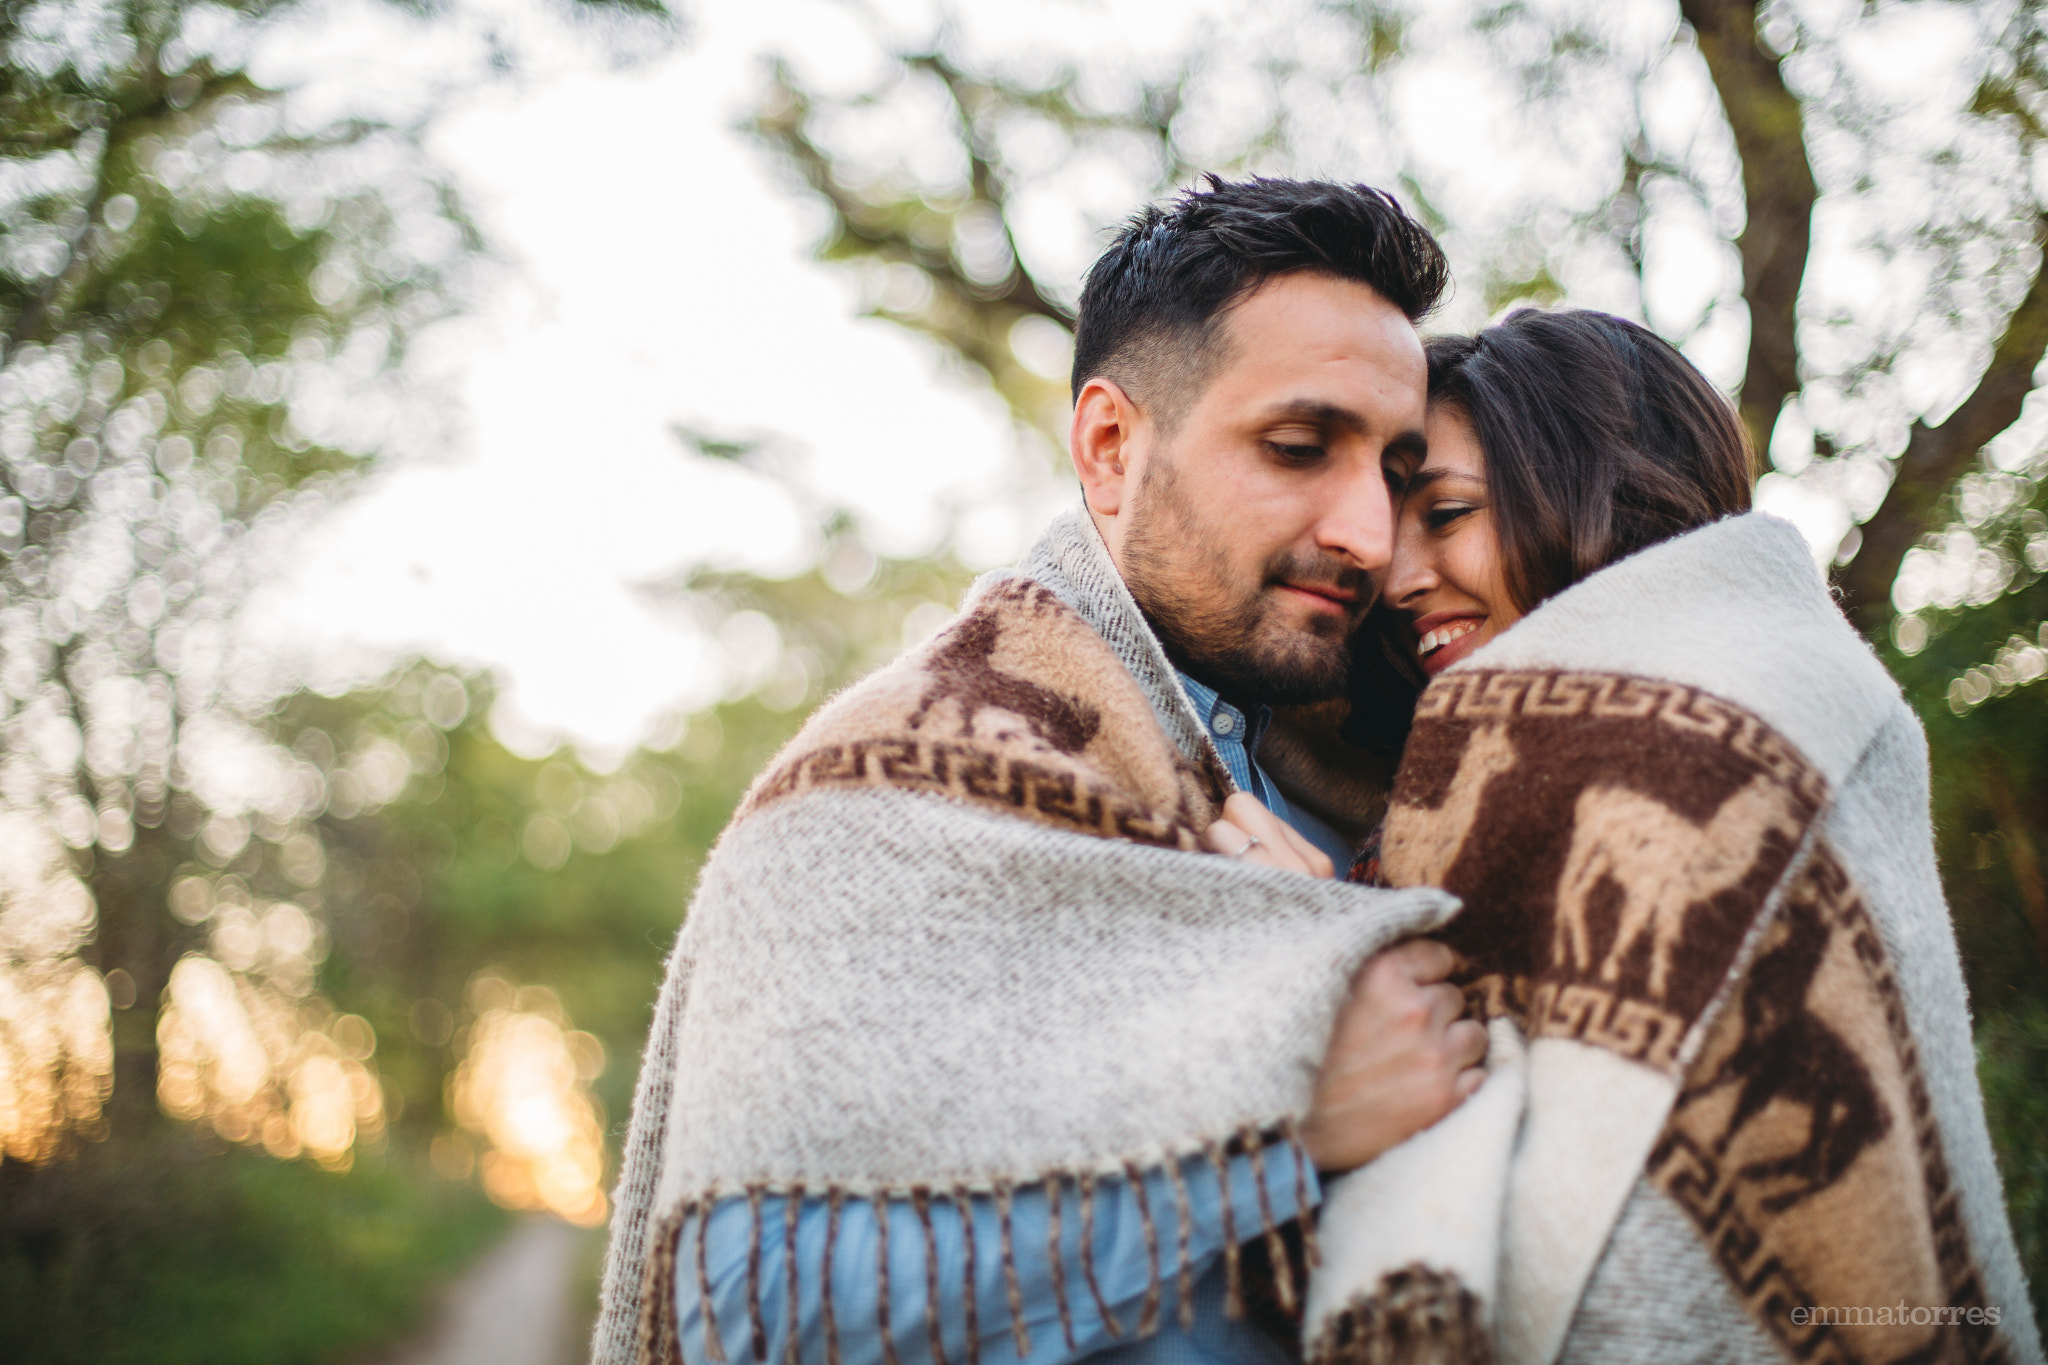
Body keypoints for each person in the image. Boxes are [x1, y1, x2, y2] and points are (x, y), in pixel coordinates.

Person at [591, 177, 1492, 1365]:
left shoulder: (1382, 782)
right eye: (1295, 446)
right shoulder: (884, 793)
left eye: (1391, 469)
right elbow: (748, 1305)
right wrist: (1281, 1139)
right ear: (1110, 447)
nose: (1368, 535)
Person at [1303, 308, 2040, 1364]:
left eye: (1447, 512)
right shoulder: (1428, 765)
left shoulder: (1725, 729)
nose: (1398, 575)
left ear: (1592, 493)